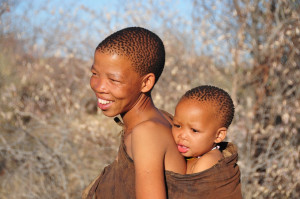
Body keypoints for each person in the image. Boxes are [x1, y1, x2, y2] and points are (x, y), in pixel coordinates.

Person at [82, 27, 186, 199]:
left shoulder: (146, 133)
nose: (99, 87)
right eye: (95, 73)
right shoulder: (150, 121)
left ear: (146, 83)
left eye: (114, 80)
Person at [166, 85, 242, 199]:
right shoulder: (196, 154)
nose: (182, 135)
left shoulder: (208, 162)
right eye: (177, 125)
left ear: (218, 135)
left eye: (194, 130)